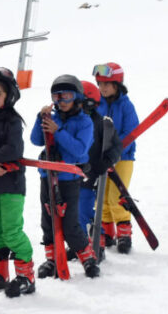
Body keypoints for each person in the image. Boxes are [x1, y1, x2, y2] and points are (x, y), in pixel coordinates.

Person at [31, 75, 100, 279]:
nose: (61, 101)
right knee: (48, 220)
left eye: (67, 96)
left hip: (69, 178)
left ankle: (87, 258)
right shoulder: (53, 118)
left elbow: (79, 150)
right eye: (57, 96)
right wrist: (40, 119)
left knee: (70, 223)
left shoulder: (85, 122)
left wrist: (58, 131)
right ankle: (51, 259)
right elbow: (36, 140)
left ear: (77, 97)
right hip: (47, 175)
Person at [0, 67, 35, 297]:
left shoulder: (12, 121)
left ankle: (26, 276)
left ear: (9, 96)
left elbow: (14, 149)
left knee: (12, 232)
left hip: (11, 185)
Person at [93, 62, 140, 254]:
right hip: (101, 159)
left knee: (116, 197)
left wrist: (115, 150)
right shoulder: (96, 104)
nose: (102, 88)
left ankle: (124, 233)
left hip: (123, 158)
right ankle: (106, 233)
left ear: (117, 84)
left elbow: (131, 131)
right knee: (101, 198)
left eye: (107, 84)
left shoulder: (126, 106)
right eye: (100, 84)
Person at [77, 81, 121, 258]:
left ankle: (98, 242)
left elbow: (116, 146)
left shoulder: (101, 123)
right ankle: (79, 244)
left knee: (85, 211)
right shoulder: (72, 120)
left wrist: (108, 160)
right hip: (70, 176)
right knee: (72, 214)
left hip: (89, 175)